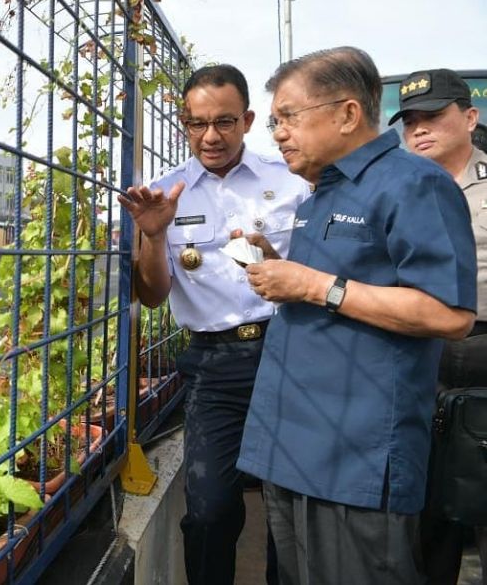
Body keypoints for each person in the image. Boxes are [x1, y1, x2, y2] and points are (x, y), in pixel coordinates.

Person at [236, 47, 478, 585]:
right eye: (275, 121)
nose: (277, 132)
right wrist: (282, 273)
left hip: (354, 455)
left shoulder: (413, 183)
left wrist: (316, 284)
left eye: (288, 117)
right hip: (293, 441)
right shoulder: (321, 193)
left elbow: (449, 312)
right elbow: (338, 288)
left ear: (347, 113)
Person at [118, 64, 311, 585]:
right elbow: (154, 296)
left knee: (287, 510)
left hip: (287, 352)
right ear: (183, 124)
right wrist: (155, 238)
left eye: (225, 121)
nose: (210, 136)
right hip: (213, 363)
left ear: (248, 120)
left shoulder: (290, 182)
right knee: (208, 510)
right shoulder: (163, 195)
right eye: (196, 123)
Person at [393, 67, 487, 585]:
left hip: (483, 352)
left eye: (432, 116)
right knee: (428, 504)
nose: (419, 130)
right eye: (410, 122)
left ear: (469, 118)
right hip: (421, 356)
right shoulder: (398, 189)